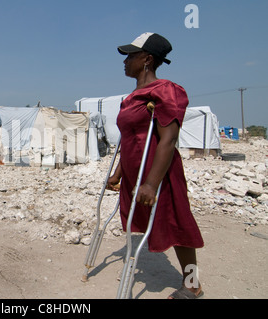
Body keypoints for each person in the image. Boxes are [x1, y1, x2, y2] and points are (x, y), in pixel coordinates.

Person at [106, 33, 204, 299]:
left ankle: (193, 283)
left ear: (147, 59)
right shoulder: (130, 97)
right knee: (146, 221)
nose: (125, 61)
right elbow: (129, 140)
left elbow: (169, 139)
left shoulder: (165, 91)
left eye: (131, 56)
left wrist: (151, 182)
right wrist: (117, 173)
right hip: (133, 174)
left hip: (159, 173)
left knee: (177, 226)